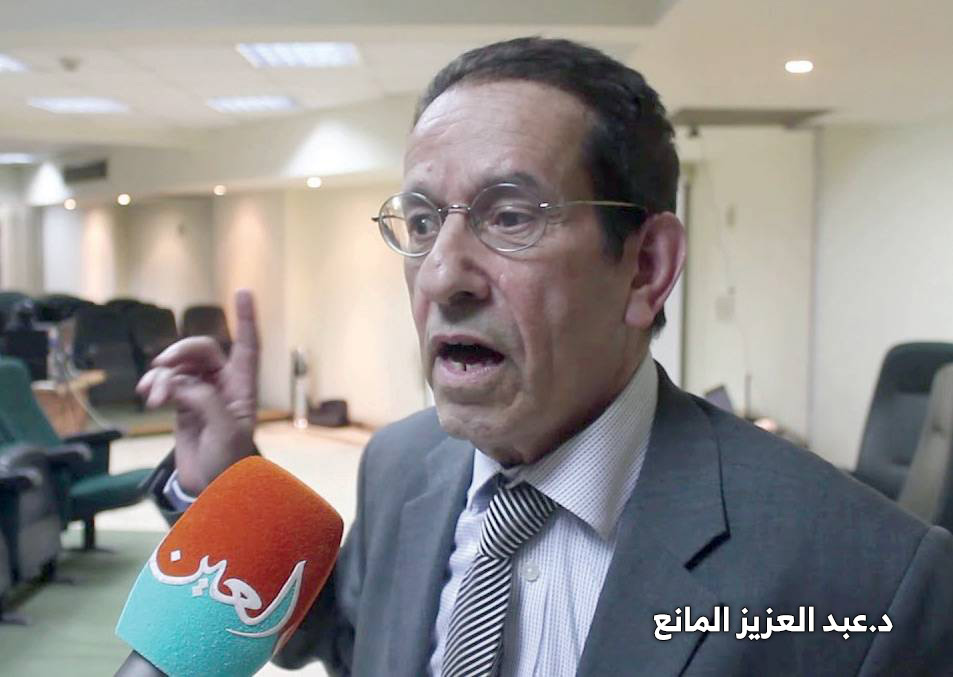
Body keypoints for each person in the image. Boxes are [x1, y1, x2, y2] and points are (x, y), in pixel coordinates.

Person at [140, 38, 953, 676]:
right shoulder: (397, 464)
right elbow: (355, 643)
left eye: (510, 216)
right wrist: (223, 486)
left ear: (644, 268)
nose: (442, 275)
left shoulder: (872, 575)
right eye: (420, 223)